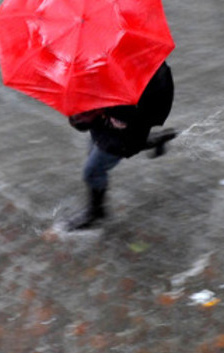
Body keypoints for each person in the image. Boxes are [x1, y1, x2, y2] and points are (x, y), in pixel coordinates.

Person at [65, 62, 177, 231]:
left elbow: (135, 120)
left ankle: (96, 212)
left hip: (123, 133)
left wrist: (110, 114)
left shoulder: (133, 84)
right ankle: (156, 139)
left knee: (92, 171)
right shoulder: (102, 67)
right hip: (107, 126)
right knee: (94, 151)